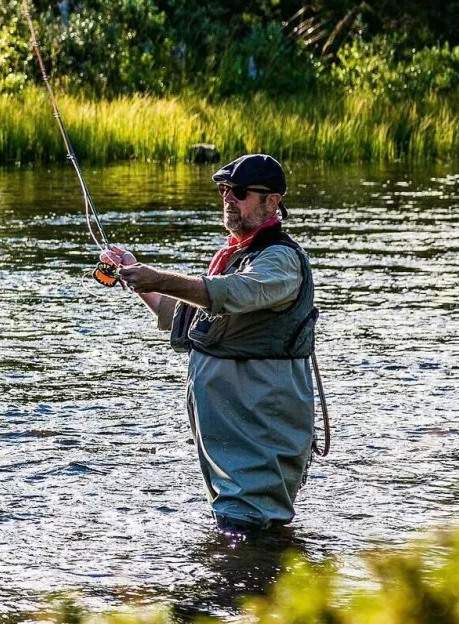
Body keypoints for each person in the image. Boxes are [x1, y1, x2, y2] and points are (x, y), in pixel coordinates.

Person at [100, 154, 319, 533]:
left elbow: (232, 293)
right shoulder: (234, 259)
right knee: (241, 532)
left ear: (272, 201)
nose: (228, 199)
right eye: (223, 191)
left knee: (251, 536)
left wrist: (159, 279)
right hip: (232, 445)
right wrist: (134, 273)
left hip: (258, 435)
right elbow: (182, 315)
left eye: (239, 192)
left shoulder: (279, 261)